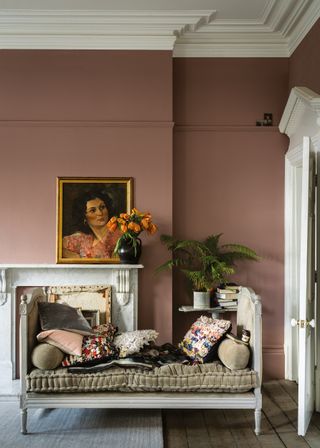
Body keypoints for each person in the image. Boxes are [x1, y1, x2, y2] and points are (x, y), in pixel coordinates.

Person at [62, 192, 121, 259]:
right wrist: (76, 257)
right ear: (84, 217)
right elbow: (57, 247)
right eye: (92, 210)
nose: (100, 213)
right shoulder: (82, 238)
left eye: (102, 207)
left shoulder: (118, 235)